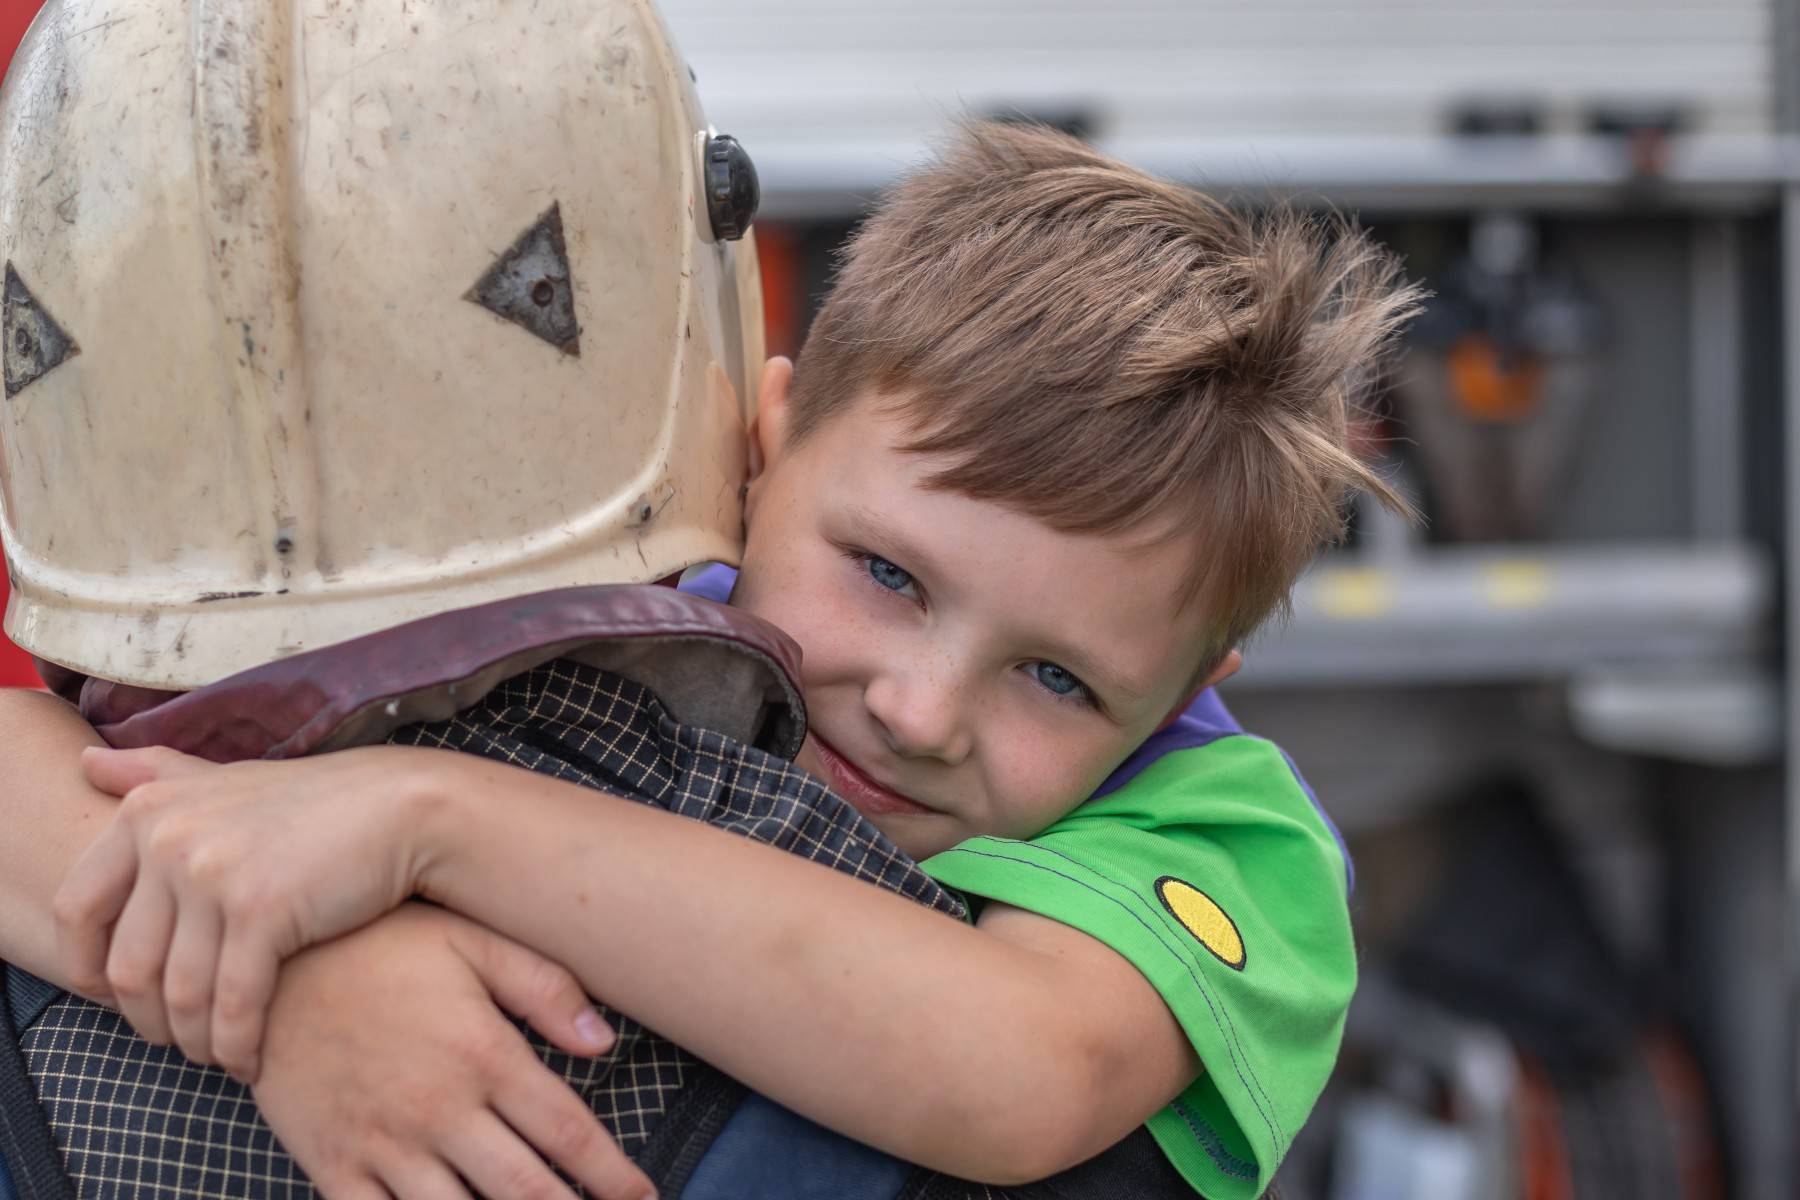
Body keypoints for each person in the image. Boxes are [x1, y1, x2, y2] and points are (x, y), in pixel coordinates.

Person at [23, 120, 1419, 1199]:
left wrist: (425, 821)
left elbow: (1019, 1071)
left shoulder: (1232, 841)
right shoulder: (607, 595)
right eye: (887, 575)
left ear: (1189, 687)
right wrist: (304, 991)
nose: (920, 711)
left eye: (1057, 680)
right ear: (765, 435)